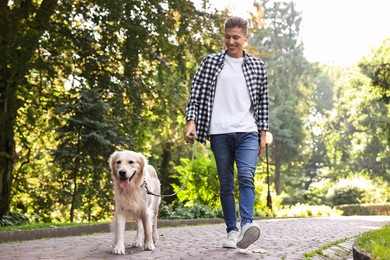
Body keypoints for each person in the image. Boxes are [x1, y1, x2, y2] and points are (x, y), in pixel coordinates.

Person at [184, 16, 269, 249]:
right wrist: (191, 122)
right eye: (227, 37)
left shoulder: (257, 66)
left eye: (236, 38)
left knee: (246, 177)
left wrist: (263, 134)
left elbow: (262, 104)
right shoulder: (210, 63)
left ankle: (247, 227)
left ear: (246, 38)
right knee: (225, 183)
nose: (230, 42)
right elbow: (196, 95)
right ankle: (231, 230)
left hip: (247, 131)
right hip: (219, 132)